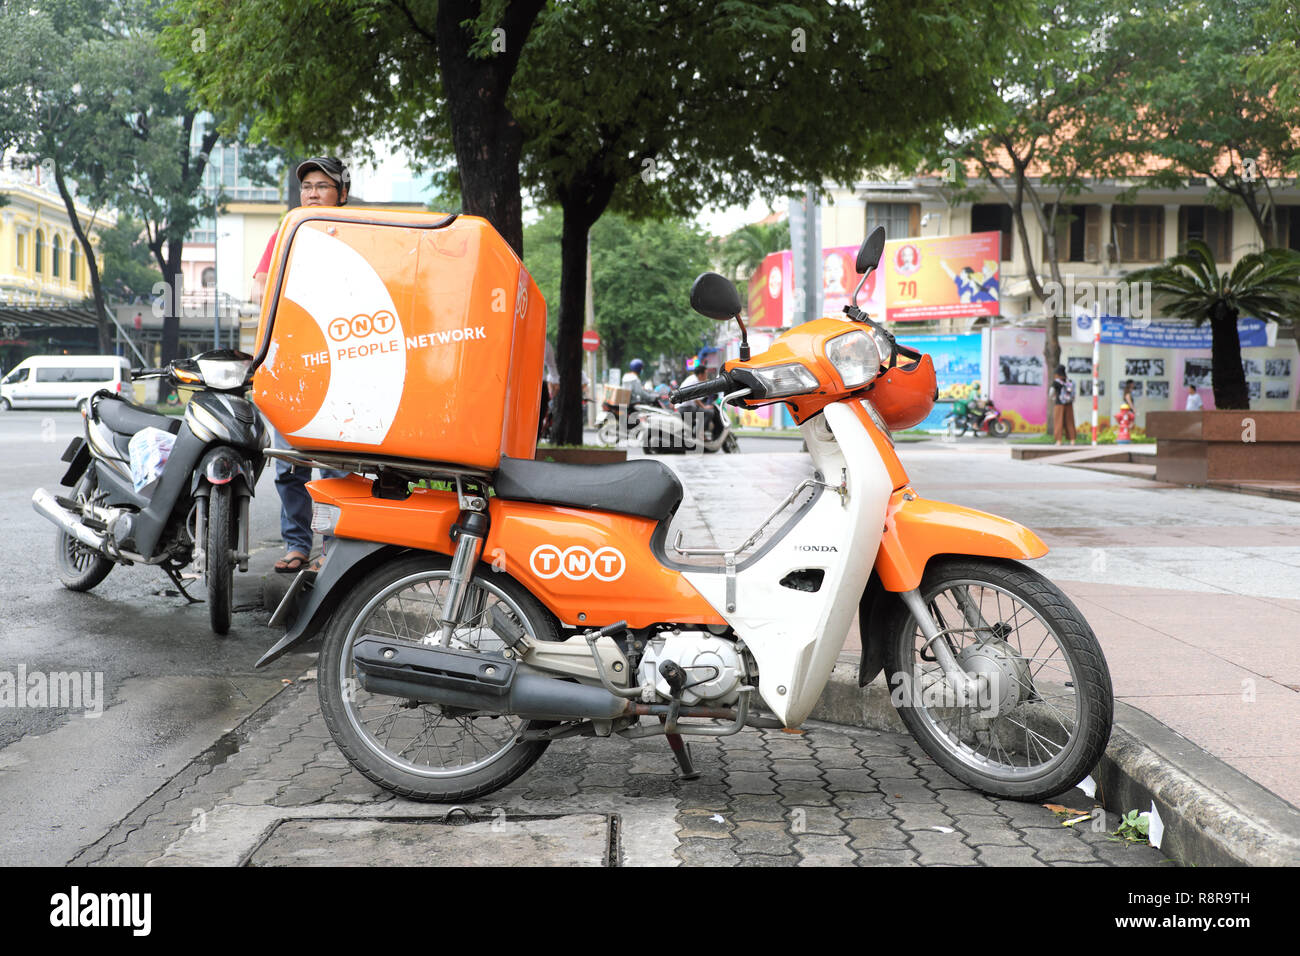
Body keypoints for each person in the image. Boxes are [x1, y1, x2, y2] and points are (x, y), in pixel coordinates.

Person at [255, 157, 353, 573]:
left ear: (342, 194)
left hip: (345, 366)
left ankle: (333, 551)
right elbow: (262, 284)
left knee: (334, 466)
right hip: (292, 364)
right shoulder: (286, 234)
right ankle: (297, 545)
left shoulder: (359, 234)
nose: (312, 193)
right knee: (289, 463)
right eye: (307, 186)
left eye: (322, 186)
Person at [1051, 364, 1077, 446]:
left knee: (1058, 422)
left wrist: (1053, 398)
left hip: (1059, 404)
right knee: (1070, 422)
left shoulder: (1056, 382)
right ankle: (1072, 440)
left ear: (1057, 374)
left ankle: (1059, 441)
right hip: (1069, 404)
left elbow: (1050, 393)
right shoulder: (1069, 382)